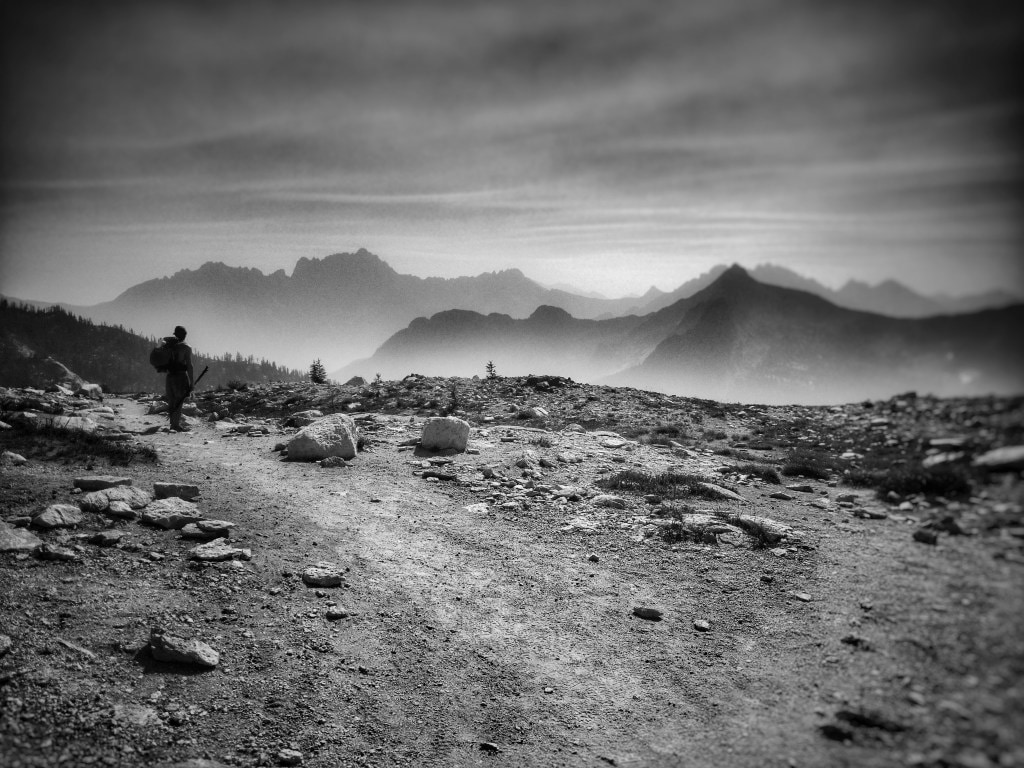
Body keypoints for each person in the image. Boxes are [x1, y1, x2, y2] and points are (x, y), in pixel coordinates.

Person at [162, 325, 195, 432]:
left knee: (171, 400)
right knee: (179, 400)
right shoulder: (186, 347)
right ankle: (175, 425)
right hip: (180, 376)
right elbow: (189, 365)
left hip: (169, 376)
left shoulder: (169, 347)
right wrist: (192, 382)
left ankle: (173, 424)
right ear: (185, 335)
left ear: (175, 335)